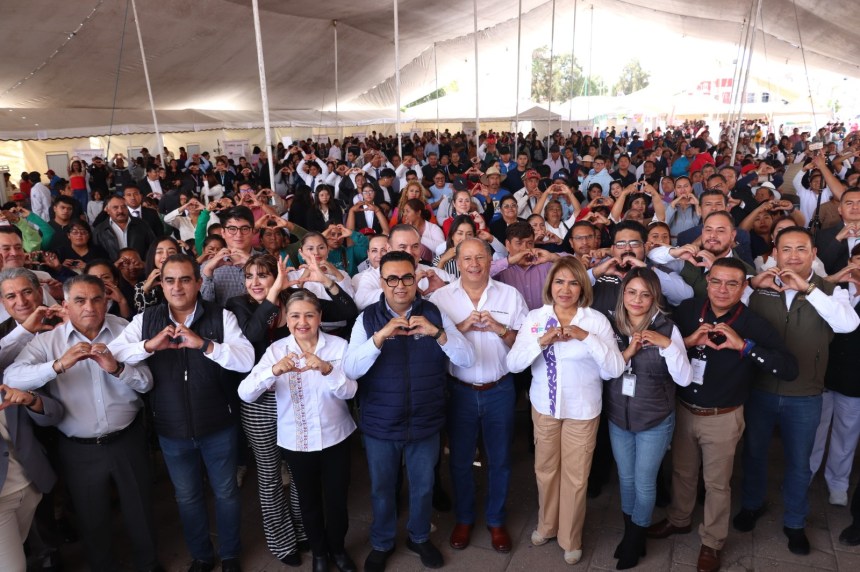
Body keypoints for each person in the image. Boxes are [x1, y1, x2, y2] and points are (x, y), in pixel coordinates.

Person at [648, 258, 798, 572]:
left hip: (723, 416)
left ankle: (712, 542)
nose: (722, 289)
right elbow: (660, 347)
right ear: (707, 281)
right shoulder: (688, 310)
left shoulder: (753, 323)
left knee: (717, 484)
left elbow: (788, 368)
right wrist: (688, 341)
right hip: (684, 408)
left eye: (732, 283)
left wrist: (744, 346)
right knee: (682, 473)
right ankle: (679, 519)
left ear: (743, 287)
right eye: (716, 281)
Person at [109, 254, 255, 572]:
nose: (177, 287)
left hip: (218, 423)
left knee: (226, 492)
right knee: (187, 497)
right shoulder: (145, 320)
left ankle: (230, 554)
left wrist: (205, 345)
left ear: (199, 283)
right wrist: (149, 346)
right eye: (170, 280)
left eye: (185, 279)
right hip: (171, 428)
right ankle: (201, 555)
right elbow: (114, 353)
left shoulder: (221, 316)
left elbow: (246, 359)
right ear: (161, 285)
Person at [6, 275, 161, 572]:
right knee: (92, 518)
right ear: (65, 305)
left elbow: (146, 383)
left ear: (107, 301)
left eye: (96, 299)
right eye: (80, 300)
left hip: (127, 439)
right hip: (78, 448)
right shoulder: (48, 341)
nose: (89, 307)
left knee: (140, 509)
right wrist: (58, 365)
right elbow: (13, 377)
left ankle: (149, 564)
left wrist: (117, 368)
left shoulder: (125, 331)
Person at [343, 251, 474, 572]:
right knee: (383, 489)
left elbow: (467, 358)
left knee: (424, 486)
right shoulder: (367, 319)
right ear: (382, 282)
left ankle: (419, 537)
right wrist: (380, 337)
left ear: (416, 279)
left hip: (425, 419)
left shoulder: (434, 313)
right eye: (392, 279)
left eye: (406, 277)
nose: (400, 285)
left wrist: (437, 333)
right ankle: (382, 542)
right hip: (381, 422)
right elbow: (350, 369)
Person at [735, 226, 860, 556]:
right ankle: (751, 504)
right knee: (754, 454)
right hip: (761, 388)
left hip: (805, 394)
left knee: (799, 463)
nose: (793, 256)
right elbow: (730, 306)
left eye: (801, 249)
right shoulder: (760, 287)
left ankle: (794, 522)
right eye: (786, 249)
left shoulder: (830, 290)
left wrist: (808, 289)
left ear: (813, 254)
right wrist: (751, 285)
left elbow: (847, 324)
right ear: (774, 253)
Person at [226, 254, 356, 567]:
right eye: (295, 316)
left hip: (336, 436)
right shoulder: (277, 350)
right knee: (307, 501)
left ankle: (338, 549)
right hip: (296, 440)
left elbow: (351, 391)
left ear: (320, 316)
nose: (302, 322)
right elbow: (245, 392)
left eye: (309, 315)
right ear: (287, 318)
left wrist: (327, 369)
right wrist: (272, 372)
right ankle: (320, 553)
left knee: (337, 500)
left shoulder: (338, 347)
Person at [506, 257, 624, 565]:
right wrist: (541, 341)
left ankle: (570, 537)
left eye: (573, 283)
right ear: (551, 285)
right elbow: (513, 364)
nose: (566, 289)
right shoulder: (536, 317)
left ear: (582, 287)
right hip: (544, 407)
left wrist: (586, 337)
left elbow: (614, 369)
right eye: (559, 282)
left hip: (582, 411)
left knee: (576, 476)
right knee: (545, 470)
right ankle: (547, 524)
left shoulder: (595, 321)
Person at [429, 238, 528, 554]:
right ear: (458, 262)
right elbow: (431, 346)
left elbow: (524, 345)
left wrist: (500, 329)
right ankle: (465, 518)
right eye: (467, 258)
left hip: (500, 389)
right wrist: (460, 327)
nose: (474, 264)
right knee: (460, 460)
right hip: (458, 391)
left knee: (500, 459)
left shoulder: (510, 295)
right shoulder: (441, 298)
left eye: (480, 257)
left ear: (490, 260)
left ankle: (496, 520)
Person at [606, 267, 692, 569]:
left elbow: (684, 378)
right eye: (631, 292)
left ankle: (634, 539)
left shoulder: (668, 328)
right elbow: (604, 369)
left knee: (644, 482)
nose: (637, 300)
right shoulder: (611, 326)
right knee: (626, 479)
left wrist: (666, 345)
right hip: (618, 417)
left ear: (655, 297)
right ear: (623, 294)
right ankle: (632, 531)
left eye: (645, 294)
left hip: (654, 419)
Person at [92, 194, 156, 261]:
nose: (120, 211)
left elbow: (153, 247)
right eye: (115, 207)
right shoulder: (99, 230)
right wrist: (112, 266)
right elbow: (97, 256)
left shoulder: (142, 224)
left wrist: (144, 263)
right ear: (107, 210)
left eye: (124, 207)